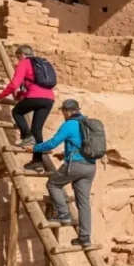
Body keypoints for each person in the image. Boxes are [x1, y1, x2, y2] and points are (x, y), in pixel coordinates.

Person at [26, 99, 96, 247]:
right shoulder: (88, 123)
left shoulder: (69, 124)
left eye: (63, 111)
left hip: (76, 165)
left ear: (68, 111)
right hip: (90, 166)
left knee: (52, 184)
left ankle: (63, 214)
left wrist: (34, 148)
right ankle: (85, 237)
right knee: (83, 203)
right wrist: (65, 153)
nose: (63, 114)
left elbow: (52, 143)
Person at [0, 45, 55, 170]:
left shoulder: (24, 63)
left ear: (21, 55)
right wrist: (21, 95)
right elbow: (35, 85)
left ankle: (26, 137)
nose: (18, 60)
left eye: (18, 58)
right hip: (49, 99)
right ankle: (37, 161)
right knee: (37, 129)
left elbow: (14, 84)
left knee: (16, 112)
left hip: (35, 97)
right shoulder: (41, 64)